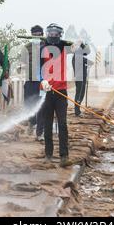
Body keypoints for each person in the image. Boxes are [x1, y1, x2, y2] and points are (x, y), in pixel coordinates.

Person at [40, 23, 73, 167]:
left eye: (56, 33)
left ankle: (64, 156)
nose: (53, 35)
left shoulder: (64, 47)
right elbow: (36, 71)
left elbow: (85, 50)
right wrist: (42, 81)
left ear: (60, 34)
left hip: (61, 92)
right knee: (47, 124)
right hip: (46, 92)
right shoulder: (42, 49)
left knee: (62, 124)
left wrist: (80, 44)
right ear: (48, 34)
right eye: (51, 33)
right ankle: (48, 154)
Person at [21, 25, 45, 141]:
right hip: (30, 80)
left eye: (38, 35)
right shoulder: (27, 48)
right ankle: (31, 123)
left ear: (42, 35)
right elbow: (23, 62)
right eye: (34, 35)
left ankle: (40, 132)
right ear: (31, 35)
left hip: (42, 82)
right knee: (28, 104)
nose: (36, 37)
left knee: (41, 106)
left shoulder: (46, 47)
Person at [72, 40, 91, 117]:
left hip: (80, 76)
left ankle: (77, 110)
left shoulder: (78, 55)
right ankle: (77, 111)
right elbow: (87, 54)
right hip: (80, 77)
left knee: (79, 93)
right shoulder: (78, 55)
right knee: (79, 94)